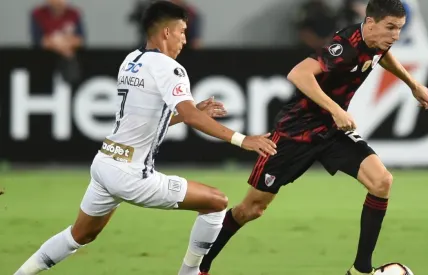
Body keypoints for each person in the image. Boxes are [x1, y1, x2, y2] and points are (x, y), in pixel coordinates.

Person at [13, 2, 277, 275]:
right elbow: (191, 117)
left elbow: (149, 121)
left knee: (80, 235)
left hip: (105, 164)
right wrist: (242, 139)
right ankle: (190, 273)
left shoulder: (131, 60)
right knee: (217, 203)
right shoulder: (169, 68)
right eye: (182, 31)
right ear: (166, 32)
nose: (185, 39)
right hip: (131, 174)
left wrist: (190, 113)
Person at [198, 0, 428, 275]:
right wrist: (335, 109)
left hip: (332, 133)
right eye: (390, 28)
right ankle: (201, 266)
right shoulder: (344, 46)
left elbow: (383, 56)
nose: (395, 35)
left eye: (400, 29)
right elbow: (298, 74)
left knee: (381, 181)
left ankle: (360, 270)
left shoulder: (379, 42)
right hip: (296, 132)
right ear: (369, 23)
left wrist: (413, 84)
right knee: (251, 209)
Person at [30, 0, 85, 84]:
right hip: (44, 61)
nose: (59, 2)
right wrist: (61, 47)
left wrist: (65, 44)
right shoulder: (38, 14)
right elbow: (40, 41)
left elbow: (80, 40)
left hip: (69, 60)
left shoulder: (74, 14)